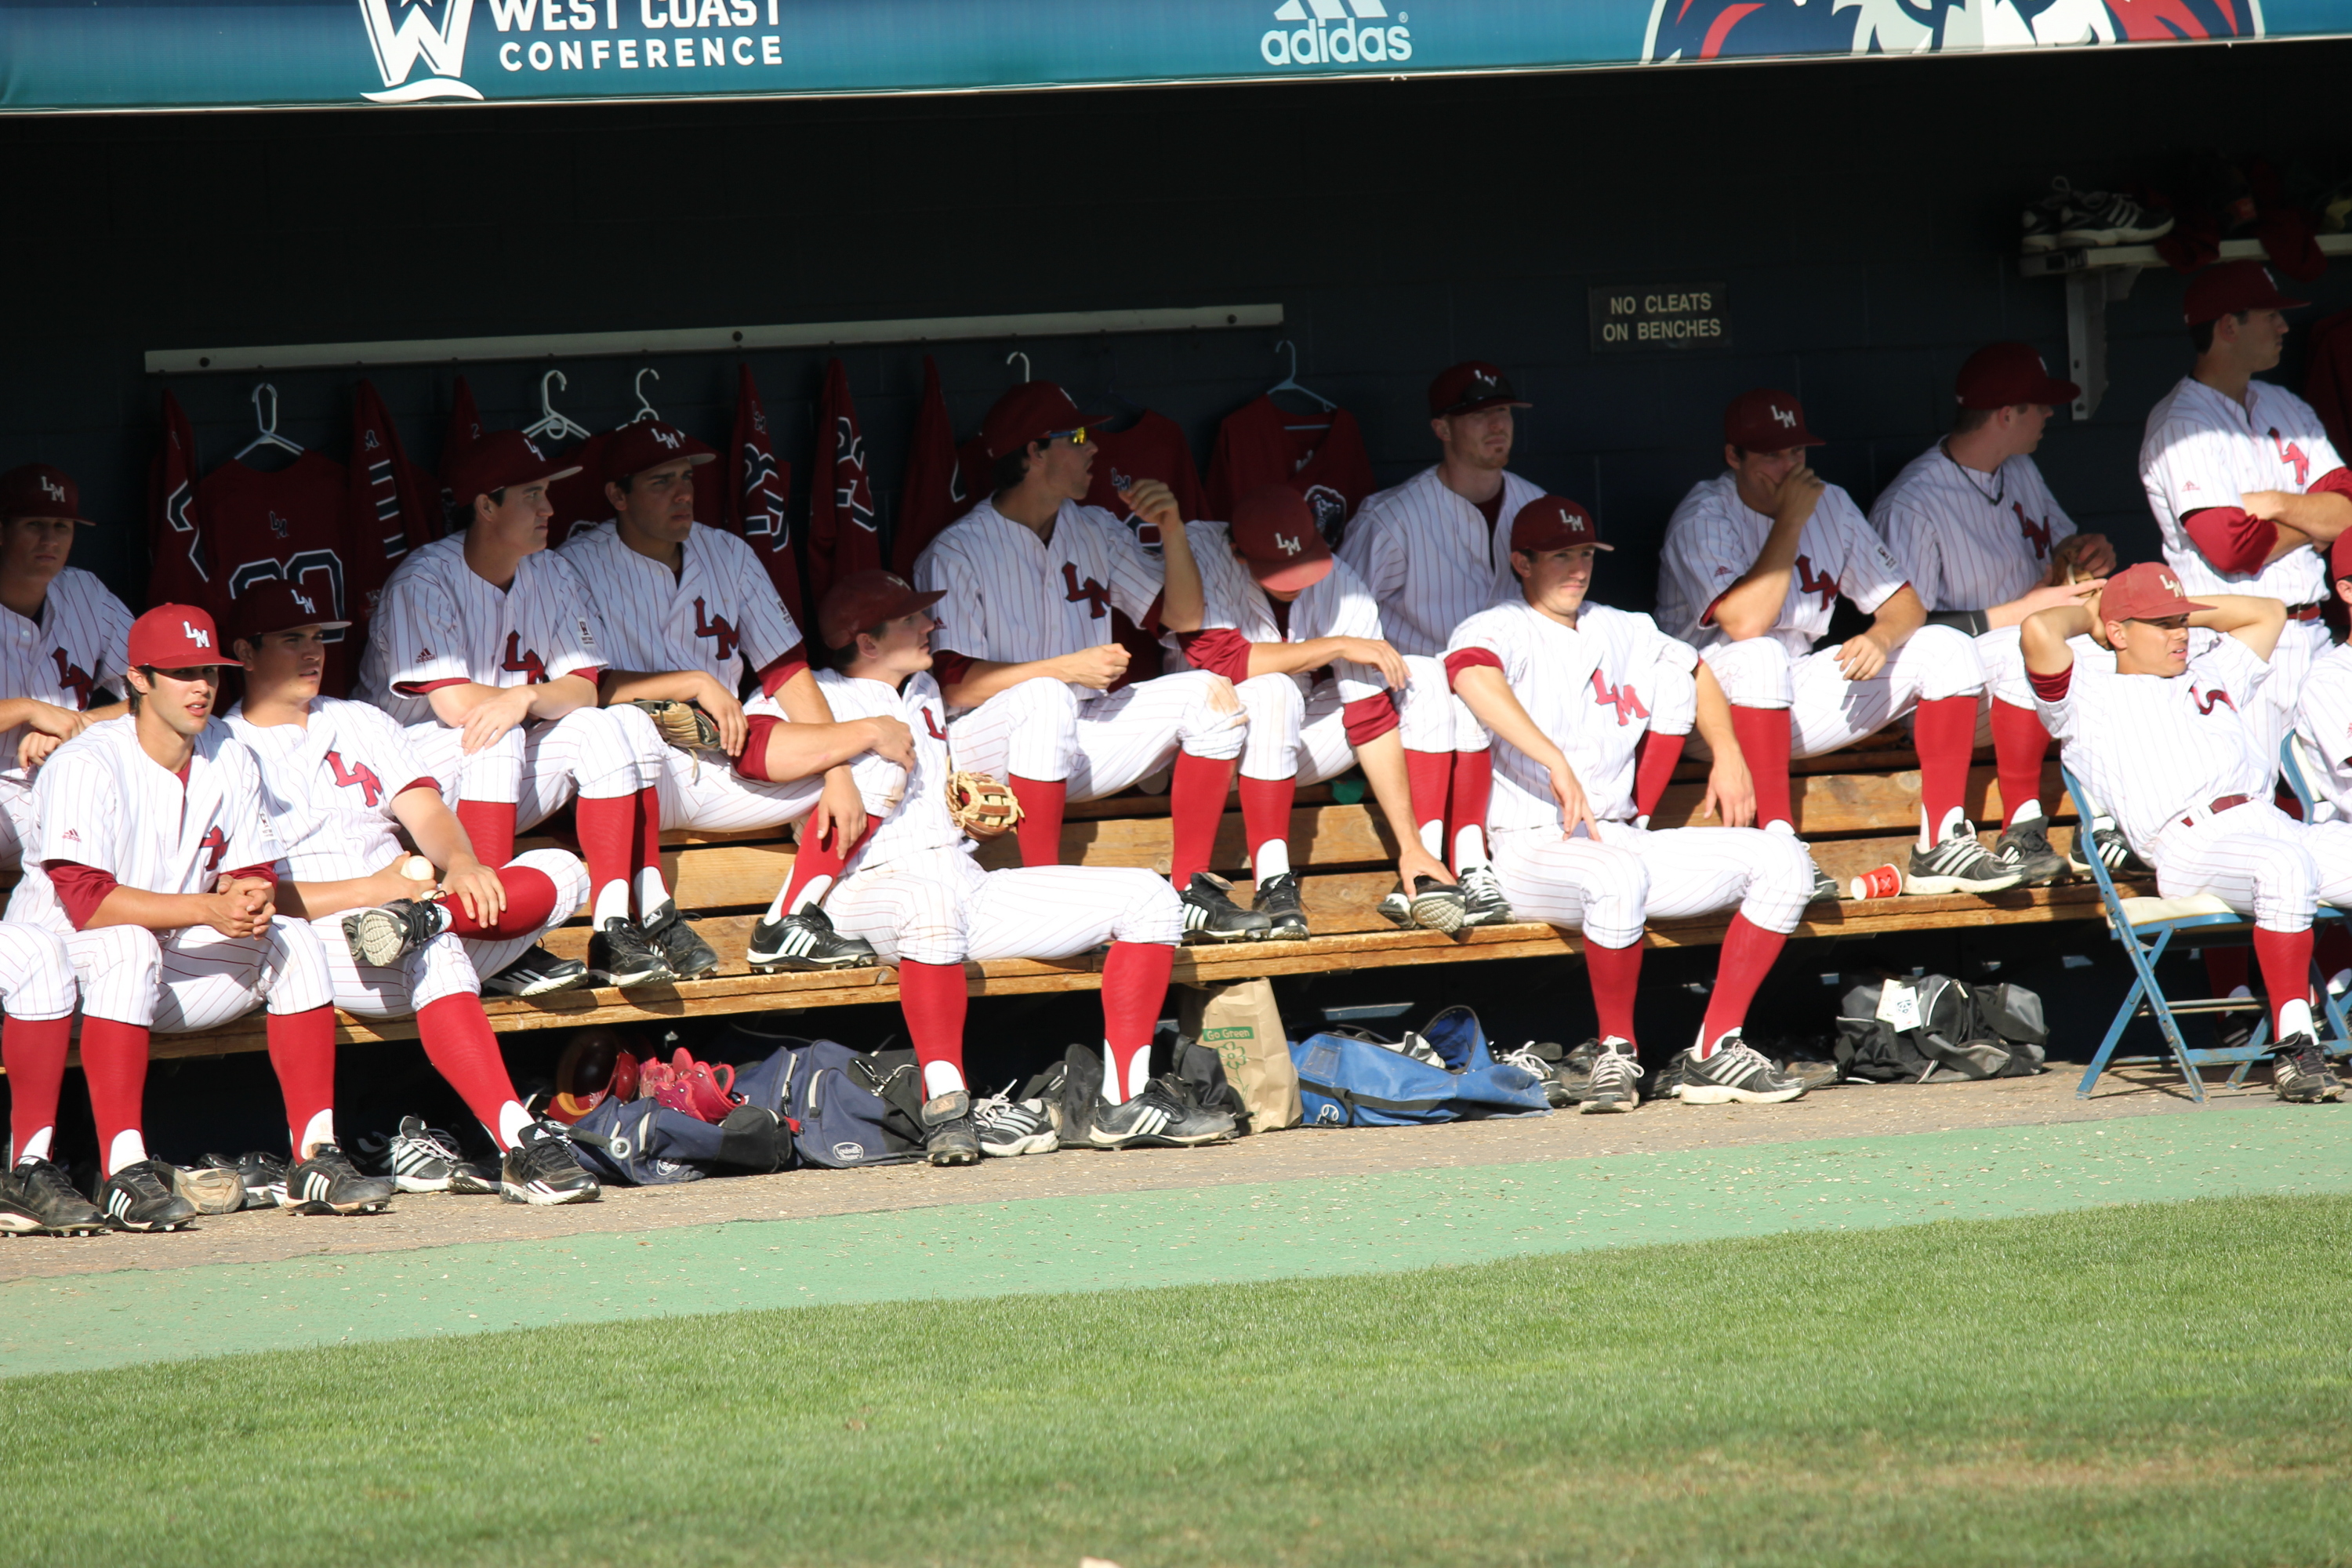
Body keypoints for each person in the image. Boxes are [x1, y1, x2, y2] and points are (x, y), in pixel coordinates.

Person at [809, 569, 1232, 1162]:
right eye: (911, 619)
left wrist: (965, 810)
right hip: (866, 888)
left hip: (959, 878)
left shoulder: (925, 690)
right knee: (931, 910)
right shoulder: (816, 694)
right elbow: (758, 748)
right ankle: (947, 1108)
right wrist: (829, 768)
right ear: (867, 642)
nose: (930, 624)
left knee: (1149, 897)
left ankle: (1121, 1102)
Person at [4, 604, 398, 1229]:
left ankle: (316, 1155)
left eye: (209, 672)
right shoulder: (88, 761)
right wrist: (209, 908)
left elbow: (254, 867)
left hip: (163, 962)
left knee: (291, 938)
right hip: (57, 965)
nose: (202, 687)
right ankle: (122, 1169)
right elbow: (87, 901)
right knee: (125, 944)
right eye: (183, 673)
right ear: (138, 679)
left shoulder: (228, 751)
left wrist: (248, 895)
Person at [223, 579, 601, 1204]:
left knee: (565, 871)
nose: (313, 651)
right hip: (321, 939)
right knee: (434, 947)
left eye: (319, 638)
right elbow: (256, 898)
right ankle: (519, 1141)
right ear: (244, 651)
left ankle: (431, 920)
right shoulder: (223, 746)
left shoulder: (360, 720)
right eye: (293, 639)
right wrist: (377, 888)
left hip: (408, 917)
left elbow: (424, 811)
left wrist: (460, 863)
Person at [1446, 497, 1814, 1110]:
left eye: (1585, 554)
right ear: (1521, 561)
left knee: (1785, 860)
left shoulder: (1623, 626)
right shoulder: (1496, 625)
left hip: (1617, 834)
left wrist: (1726, 750)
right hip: (1528, 843)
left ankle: (1714, 1049)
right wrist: (1552, 757)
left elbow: (1698, 669)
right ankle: (1616, 1051)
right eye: (1560, 555)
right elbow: (1471, 675)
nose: (1576, 568)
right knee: (1612, 876)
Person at [354, 429, 712, 989]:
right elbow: (453, 707)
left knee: (615, 723)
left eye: (546, 492)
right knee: (496, 733)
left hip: (490, 773)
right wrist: (522, 705)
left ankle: (618, 925)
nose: (550, 508)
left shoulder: (550, 571)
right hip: (407, 784)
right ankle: (494, 939)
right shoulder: (424, 580)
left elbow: (585, 688)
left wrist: (527, 696)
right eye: (532, 495)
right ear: (486, 506)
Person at [910, 381, 1266, 942]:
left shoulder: (1094, 528)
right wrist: (1066, 668)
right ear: (1033, 453)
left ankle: (1191, 889)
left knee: (1208, 692)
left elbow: (1182, 616)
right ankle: (1041, 893)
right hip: (986, 749)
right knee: (1045, 697)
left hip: (1076, 735)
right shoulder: (958, 549)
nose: (1094, 448)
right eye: (1076, 437)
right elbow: (953, 685)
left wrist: (1172, 530)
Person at [557, 419, 916, 972]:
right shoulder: (573, 566)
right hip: (635, 776)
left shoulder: (728, 554)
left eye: (686, 479)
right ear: (617, 496)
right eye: (660, 482)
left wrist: (834, 769)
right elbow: (584, 689)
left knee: (879, 757)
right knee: (620, 727)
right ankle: (642, 920)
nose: (683, 493)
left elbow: (784, 670)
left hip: (722, 759)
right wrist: (693, 682)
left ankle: (787, 922)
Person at [1657, 388, 2016, 900]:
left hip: (1784, 690)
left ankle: (1940, 845)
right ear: (1733, 457)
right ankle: (1778, 846)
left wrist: (1880, 635)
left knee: (1945, 647)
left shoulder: (1832, 504)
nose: (1788, 468)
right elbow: (1745, 624)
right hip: (1704, 707)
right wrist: (1791, 520)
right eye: (1771, 456)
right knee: (1761, 655)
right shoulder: (1704, 515)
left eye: (1796, 453)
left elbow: (1905, 605)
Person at [2024, 563, 2341, 1102]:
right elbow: (2038, 631)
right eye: (2163, 624)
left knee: (2294, 858)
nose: (2182, 633)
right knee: (2283, 870)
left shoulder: (2209, 671)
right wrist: (2096, 616)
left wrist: (2170, 601)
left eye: (2182, 621)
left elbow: (2266, 613)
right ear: (2118, 632)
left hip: (2266, 821)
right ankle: (2295, 1045)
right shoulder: (2087, 699)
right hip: (2191, 842)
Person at [1168, 485, 1461, 936]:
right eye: (1279, 571)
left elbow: (1371, 719)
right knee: (1273, 690)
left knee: (1422, 674)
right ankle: (1272, 880)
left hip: (1282, 750)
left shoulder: (1342, 582)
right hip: (1201, 755)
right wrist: (1338, 645)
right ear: (1238, 553)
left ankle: (1426, 869)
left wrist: (1409, 843)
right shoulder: (1203, 550)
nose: (1298, 580)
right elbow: (1221, 659)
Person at [1871, 344, 2114, 886]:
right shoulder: (1912, 502)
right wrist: (2025, 610)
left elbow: (2058, 550)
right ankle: (2022, 831)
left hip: (2025, 686)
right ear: (2006, 414)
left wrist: (2083, 552)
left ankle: (2106, 824)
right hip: (1946, 698)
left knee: (2106, 641)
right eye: (2040, 405)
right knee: (2023, 643)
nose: (2051, 414)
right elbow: (1909, 632)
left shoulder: (2019, 469)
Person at [1336, 361, 1548, 928]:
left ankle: (1469, 870)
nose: (1496, 425)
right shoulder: (1392, 518)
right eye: (1476, 415)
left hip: (1507, 712)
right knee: (1443, 679)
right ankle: (1450, 863)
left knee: (1477, 685)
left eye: (1502, 411)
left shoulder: (1536, 506)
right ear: (1442, 429)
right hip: (1415, 705)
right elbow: (1343, 628)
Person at [2139, 260, 2352, 771]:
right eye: (2269, 315)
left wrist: (2277, 505)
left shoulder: (2284, 404)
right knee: (2258, 796)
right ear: (2228, 327)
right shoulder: (2182, 424)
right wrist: (2312, 526)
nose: (2283, 326)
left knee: (2329, 801)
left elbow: (2346, 509)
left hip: (2314, 633)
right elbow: (2232, 546)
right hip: (2234, 647)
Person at [0, 463, 132, 873]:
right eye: (34, 524)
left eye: (62, 526)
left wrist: (77, 724)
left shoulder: (85, 592)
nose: (49, 539)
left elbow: (161, 693)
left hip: (72, 779)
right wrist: (26, 709)